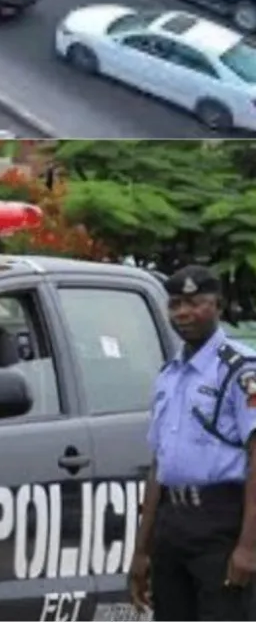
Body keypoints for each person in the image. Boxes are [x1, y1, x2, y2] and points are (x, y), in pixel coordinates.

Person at [130, 265, 256, 622]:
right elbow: (160, 464)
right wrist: (142, 549)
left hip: (221, 523)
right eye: (175, 304)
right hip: (173, 523)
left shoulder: (241, 370)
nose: (183, 313)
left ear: (218, 306)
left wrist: (248, 547)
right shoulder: (170, 374)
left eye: (195, 303)